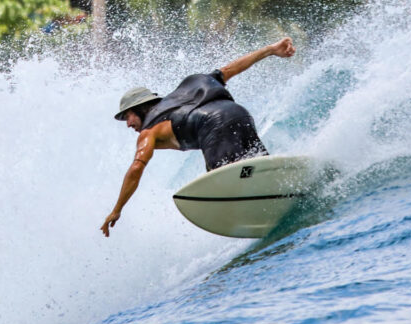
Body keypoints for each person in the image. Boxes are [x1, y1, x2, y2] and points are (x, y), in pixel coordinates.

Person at [100, 37, 296, 236]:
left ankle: (263, 213)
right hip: (239, 114)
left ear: (140, 109)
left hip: (215, 127)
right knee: (255, 169)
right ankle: (287, 192)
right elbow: (232, 69)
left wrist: (117, 210)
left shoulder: (148, 131)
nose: (128, 124)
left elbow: (136, 169)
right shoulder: (187, 92)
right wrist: (270, 49)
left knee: (225, 181)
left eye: (128, 116)